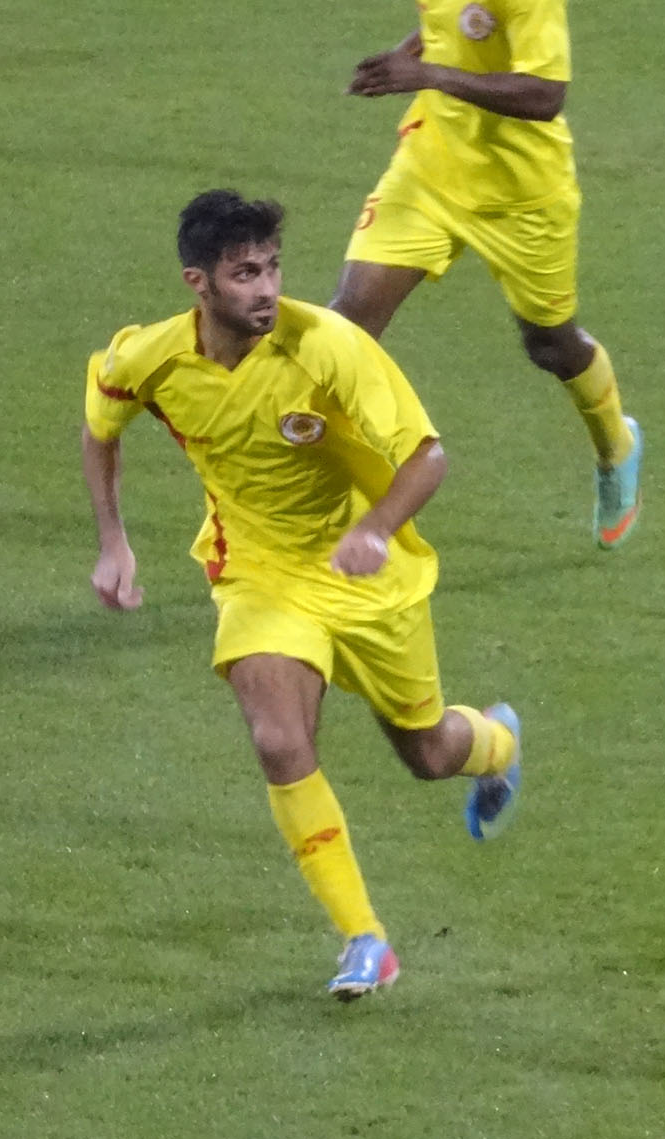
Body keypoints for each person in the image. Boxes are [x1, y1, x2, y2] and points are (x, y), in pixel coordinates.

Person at [83, 189, 525, 1000]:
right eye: (244, 273)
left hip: (369, 576)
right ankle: (365, 939)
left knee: (428, 752)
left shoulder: (326, 345)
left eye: (273, 268)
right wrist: (114, 541)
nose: (266, 288)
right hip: (260, 573)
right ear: (198, 283)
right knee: (279, 741)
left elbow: (427, 456)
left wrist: (377, 529)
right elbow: (100, 425)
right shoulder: (152, 359)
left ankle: (495, 745)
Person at [335, 0, 644, 546]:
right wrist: (405, 57)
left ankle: (617, 445)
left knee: (549, 345)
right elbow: (445, 18)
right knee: (345, 327)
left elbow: (546, 95)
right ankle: (331, 502)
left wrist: (427, 74)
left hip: (521, 193)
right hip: (431, 166)